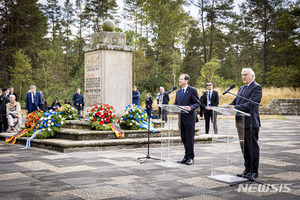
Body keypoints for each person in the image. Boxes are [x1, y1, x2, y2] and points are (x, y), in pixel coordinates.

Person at [227, 68, 262, 179]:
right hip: (240, 122)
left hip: (251, 122)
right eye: (242, 75)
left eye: (246, 75)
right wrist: (227, 106)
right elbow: (236, 101)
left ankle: (254, 171)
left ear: (252, 76)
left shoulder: (256, 87)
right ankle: (247, 169)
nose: (243, 77)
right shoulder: (241, 88)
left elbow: (250, 104)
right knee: (244, 148)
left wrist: (235, 107)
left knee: (252, 148)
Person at [174, 74, 200, 165]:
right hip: (181, 119)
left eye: (181, 79)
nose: (179, 80)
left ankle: (191, 157)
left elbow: (197, 103)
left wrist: (190, 107)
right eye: (179, 79)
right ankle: (186, 156)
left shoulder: (192, 90)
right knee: (184, 138)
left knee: (189, 139)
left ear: (186, 81)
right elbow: (176, 103)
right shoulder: (178, 92)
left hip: (189, 119)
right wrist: (173, 107)